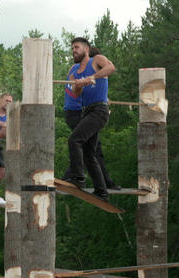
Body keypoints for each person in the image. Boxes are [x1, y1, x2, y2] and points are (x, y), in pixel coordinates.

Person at [63, 37, 116, 201]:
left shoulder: (96, 60)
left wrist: (91, 77)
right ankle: (101, 191)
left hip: (99, 110)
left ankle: (78, 177)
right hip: (86, 111)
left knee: (74, 140)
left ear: (86, 49)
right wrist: (78, 85)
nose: (74, 51)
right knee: (89, 153)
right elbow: (77, 93)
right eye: (72, 48)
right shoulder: (76, 71)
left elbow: (111, 68)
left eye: (76, 47)